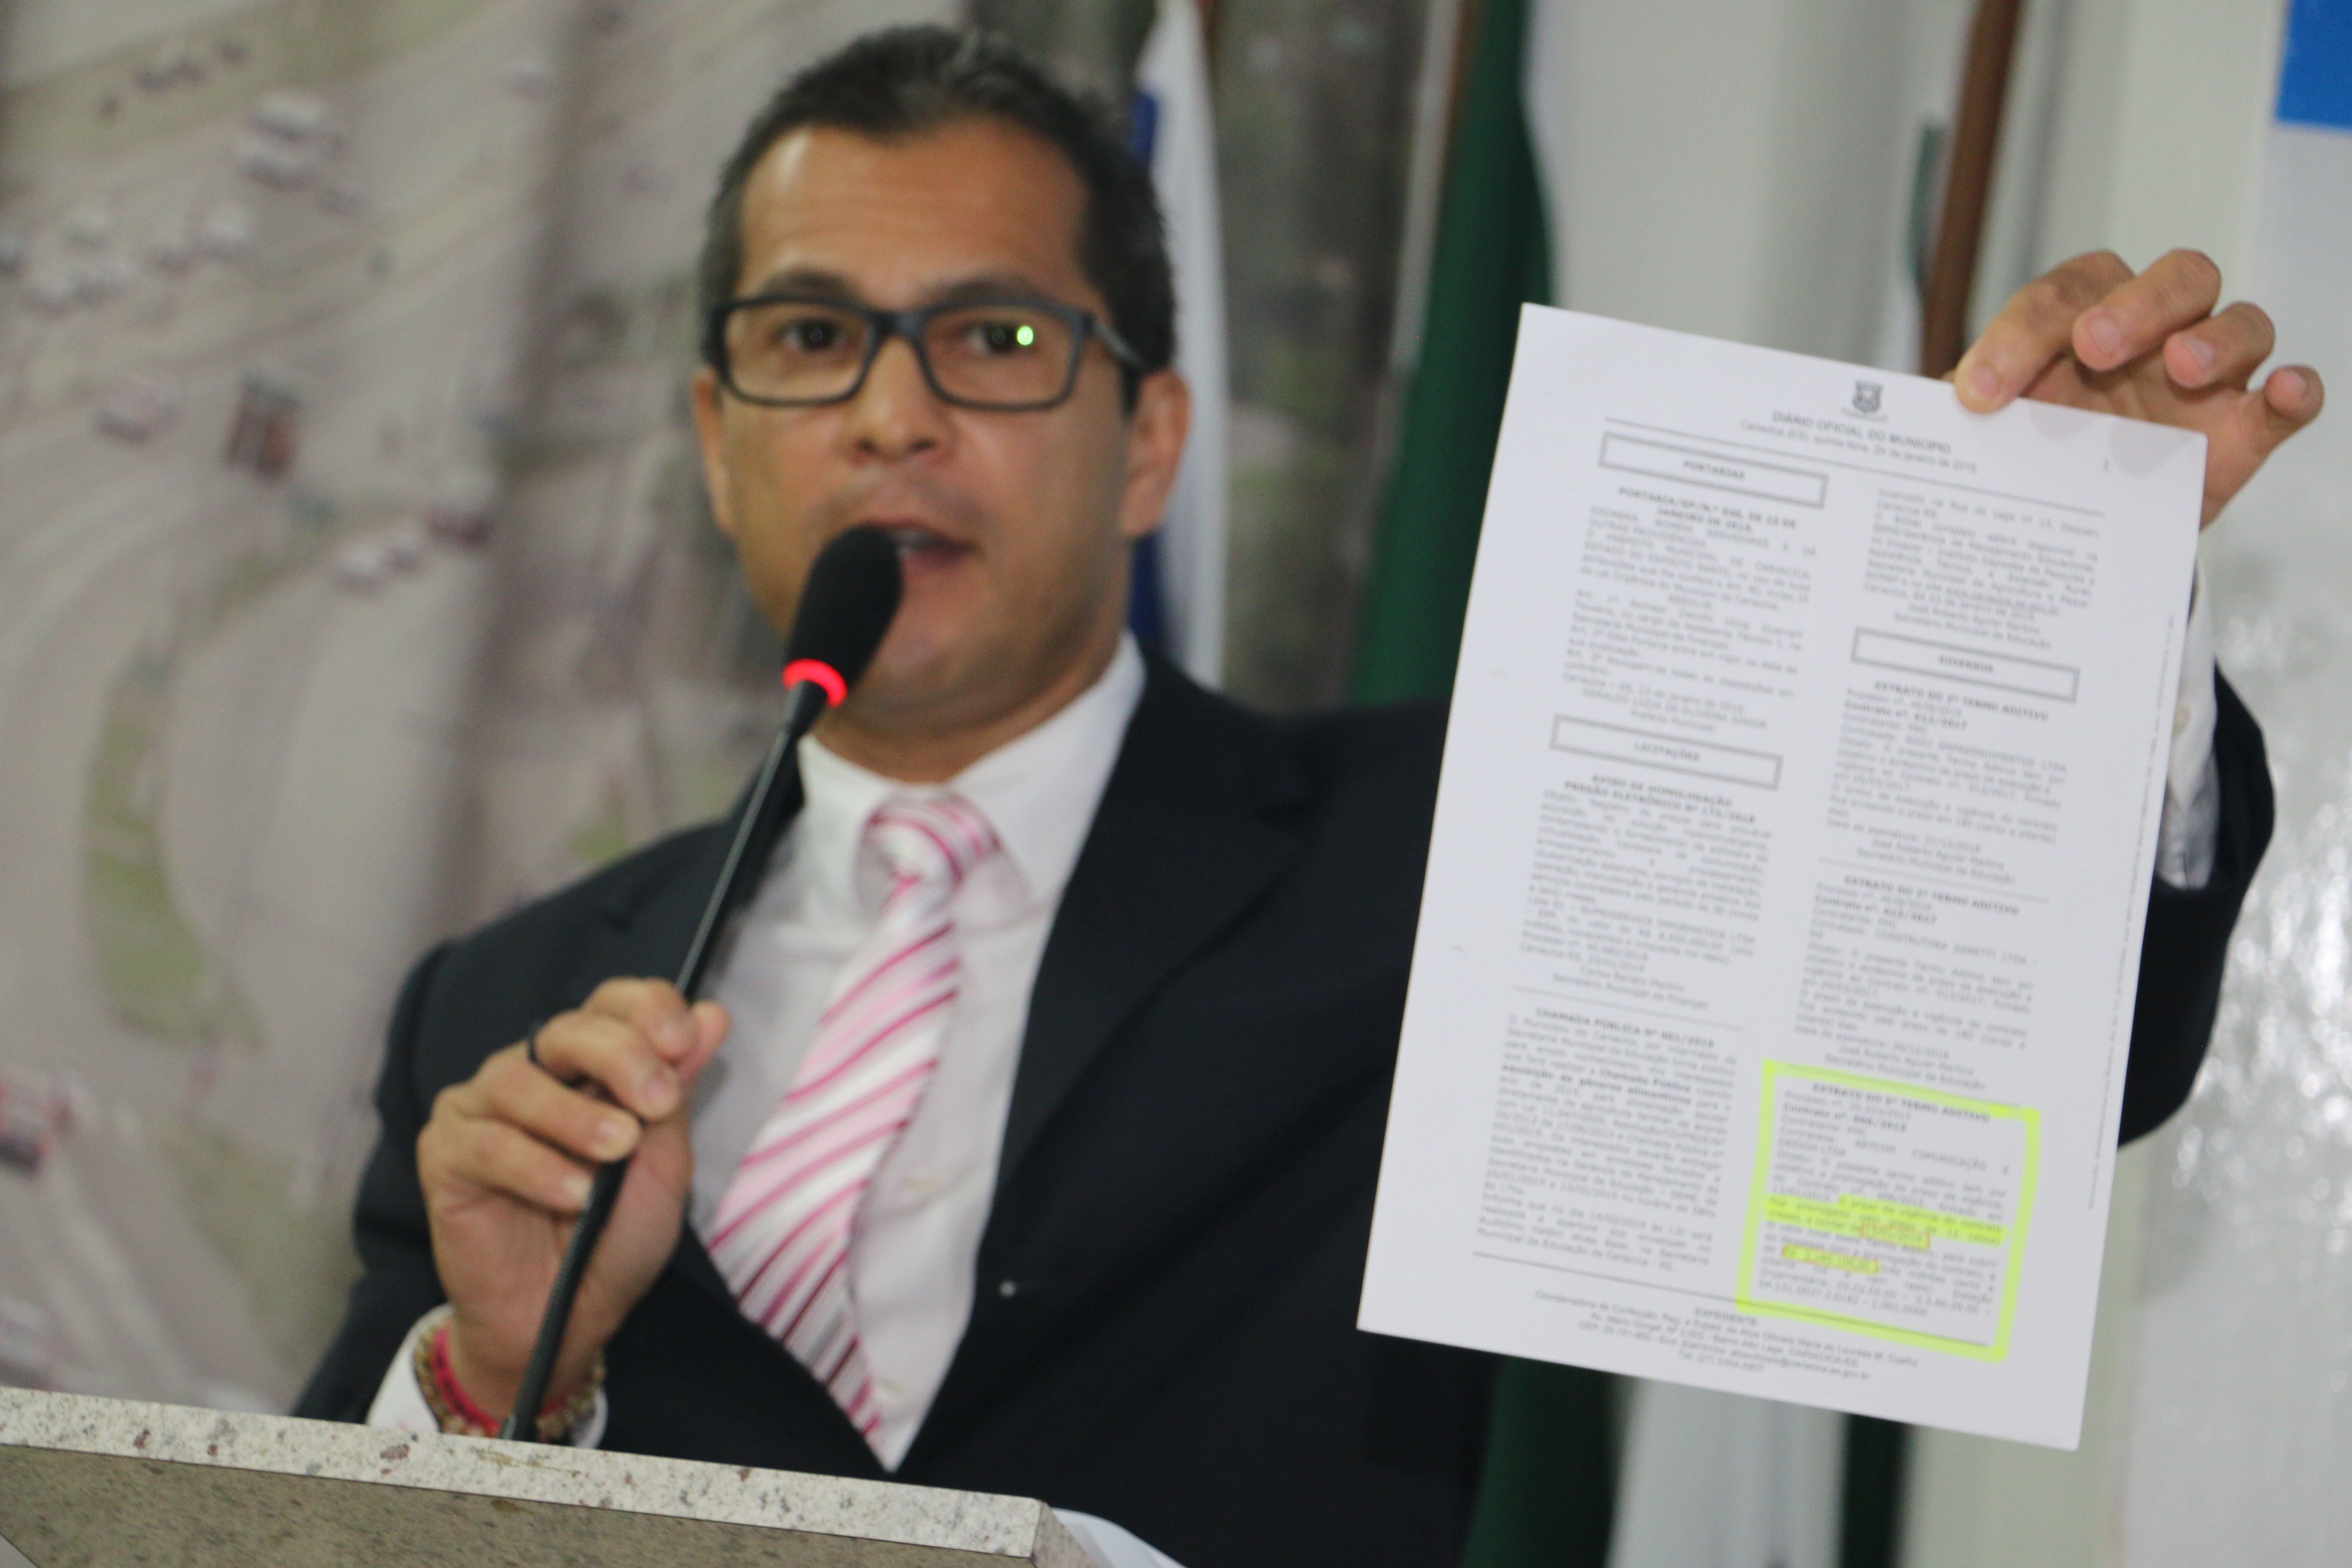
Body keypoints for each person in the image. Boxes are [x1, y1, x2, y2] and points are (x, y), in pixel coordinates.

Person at [297, 24, 2318, 1568]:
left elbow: (2031, 1062)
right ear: (715, 434)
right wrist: (498, 1377)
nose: (894, 414)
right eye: (813, 338)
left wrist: (2062, 574)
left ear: (1150, 439)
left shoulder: (1455, 848)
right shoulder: (511, 1011)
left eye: (998, 337)